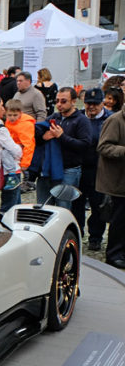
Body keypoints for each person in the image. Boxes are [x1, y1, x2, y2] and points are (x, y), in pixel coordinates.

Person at [34, 87, 91, 209]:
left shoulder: (81, 120)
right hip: (48, 169)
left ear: (74, 101)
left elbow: (84, 145)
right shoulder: (53, 118)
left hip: (69, 170)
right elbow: (38, 139)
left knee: (63, 207)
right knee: (43, 207)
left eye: (63, 101)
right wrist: (43, 137)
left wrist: (62, 136)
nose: (59, 104)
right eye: (57, 101)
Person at [73, 88, 112, 250]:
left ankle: (96, 236)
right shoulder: (79, 116)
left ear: (102, 103)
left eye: (95, 104)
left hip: (99, 169)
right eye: (89, 103)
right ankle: (78, 232)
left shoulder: (110, 119)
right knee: (77, 202)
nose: (92, 107)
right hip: (79, 167)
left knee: (97, 205)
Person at [96, 101, 125, 269]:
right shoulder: (115, 120)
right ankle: (114, 254)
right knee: (119, 220)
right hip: (118, 181)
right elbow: (104, 146)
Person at [4, 98, 36, 184]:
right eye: (9, 115)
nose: (12, 118)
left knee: (23, 179)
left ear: (20, 113)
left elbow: (29, 145)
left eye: (15, 115)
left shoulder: (25, 124)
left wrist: (25, 164)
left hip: (21, 155)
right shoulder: (8, 122)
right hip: (13, 153)